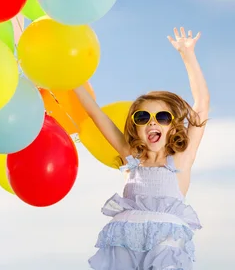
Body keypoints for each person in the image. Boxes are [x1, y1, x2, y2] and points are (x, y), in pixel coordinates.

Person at [73, 27, 209, 270]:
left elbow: (200, 108)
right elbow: (95, 113)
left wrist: (188, 56)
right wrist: (70, 81)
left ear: (173, 128)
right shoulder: (130, 158)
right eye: (143, 117)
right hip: (124, 240)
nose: (152, 122)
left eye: (162, 117)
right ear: (135, 128)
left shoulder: (180, 162)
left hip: (166, 241)